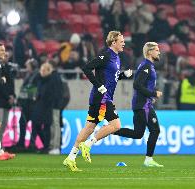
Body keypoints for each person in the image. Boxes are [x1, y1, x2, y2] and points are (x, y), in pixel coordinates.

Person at [63, 31, 132, 171]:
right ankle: (88, 144)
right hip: (101, 98)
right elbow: (86, 68)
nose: (124, 43)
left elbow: (113, 77)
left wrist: (124, 75)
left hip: (102, 98)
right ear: (113, 42)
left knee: (89, 128)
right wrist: (99, 85)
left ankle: (70, 158)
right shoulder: (105, 55)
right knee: (116, 125)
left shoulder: (117, 58)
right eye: (121, 41)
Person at [113, 42, 164, 167]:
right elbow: (137, 85)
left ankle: (112, 130)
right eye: (156, 50)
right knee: (155, 130)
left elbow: (141, 86)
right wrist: (153, 94)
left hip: (142, 104)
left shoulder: (148, 66)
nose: (159, 52)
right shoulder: (146, 66)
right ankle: (148, 159)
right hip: (143, 105)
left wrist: (150, 96)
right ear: (149, 52)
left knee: (138, 134)